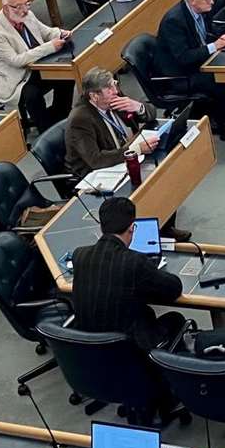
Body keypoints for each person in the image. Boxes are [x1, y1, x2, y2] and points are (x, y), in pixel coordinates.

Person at [70, 196, 186, 350]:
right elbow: (174, 288)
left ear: (101, 227)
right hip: (128, 349)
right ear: (132, 228)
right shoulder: (135, 261)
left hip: (89, 347)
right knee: (176, 319)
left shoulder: (80, 255)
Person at [156, 0, 225, 138]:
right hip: (180, 74)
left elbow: (204, 36)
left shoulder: (200, 10)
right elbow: (183, 58)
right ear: (192, 0)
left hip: (198, 62)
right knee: (222, 80)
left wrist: (221, 38)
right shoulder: (174, 21)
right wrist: (215, 46)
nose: (212, 2)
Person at [0, 0, 73, 134]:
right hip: (17, 77)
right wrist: (49, 47)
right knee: (32, 95)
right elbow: (16, 61)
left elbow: (46, 32)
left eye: (27, 4)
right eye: (19, 7)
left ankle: (61, 116)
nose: (25, 10)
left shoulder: (27, 14)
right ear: (6, 8)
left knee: (66, 74)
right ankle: (46, 130)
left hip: (37, 66)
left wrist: (60, 33)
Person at [64, 67, 160, 180]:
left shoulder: (114, 98)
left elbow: (152, 114)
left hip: (123, 157)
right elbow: (95, 160)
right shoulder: (80, 119)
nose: (115, 91)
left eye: (114, 84)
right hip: (96, 174)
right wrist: (135, 150)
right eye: (109, 89)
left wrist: (138, 107)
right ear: (94, 96)